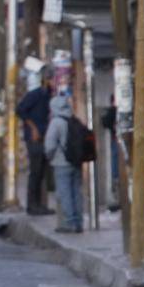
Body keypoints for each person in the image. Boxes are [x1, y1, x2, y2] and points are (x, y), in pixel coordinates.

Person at [42, 92, 86, 233]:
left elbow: (50, 145)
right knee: (76, 193)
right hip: (76, 162)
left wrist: (50, 158)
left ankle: (69, 223)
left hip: (61, 163)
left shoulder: (56, 122)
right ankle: (79, 222)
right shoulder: (74, 120)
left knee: (64, 193)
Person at [15, 76, 52, 215]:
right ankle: (32, 205)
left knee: (42, 172)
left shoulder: (50, 96)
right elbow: (20, 110)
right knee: (35, 172)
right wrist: (33, 128)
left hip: (45, 137)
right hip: (34, 138)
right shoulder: (36, 94)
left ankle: (38, 204)